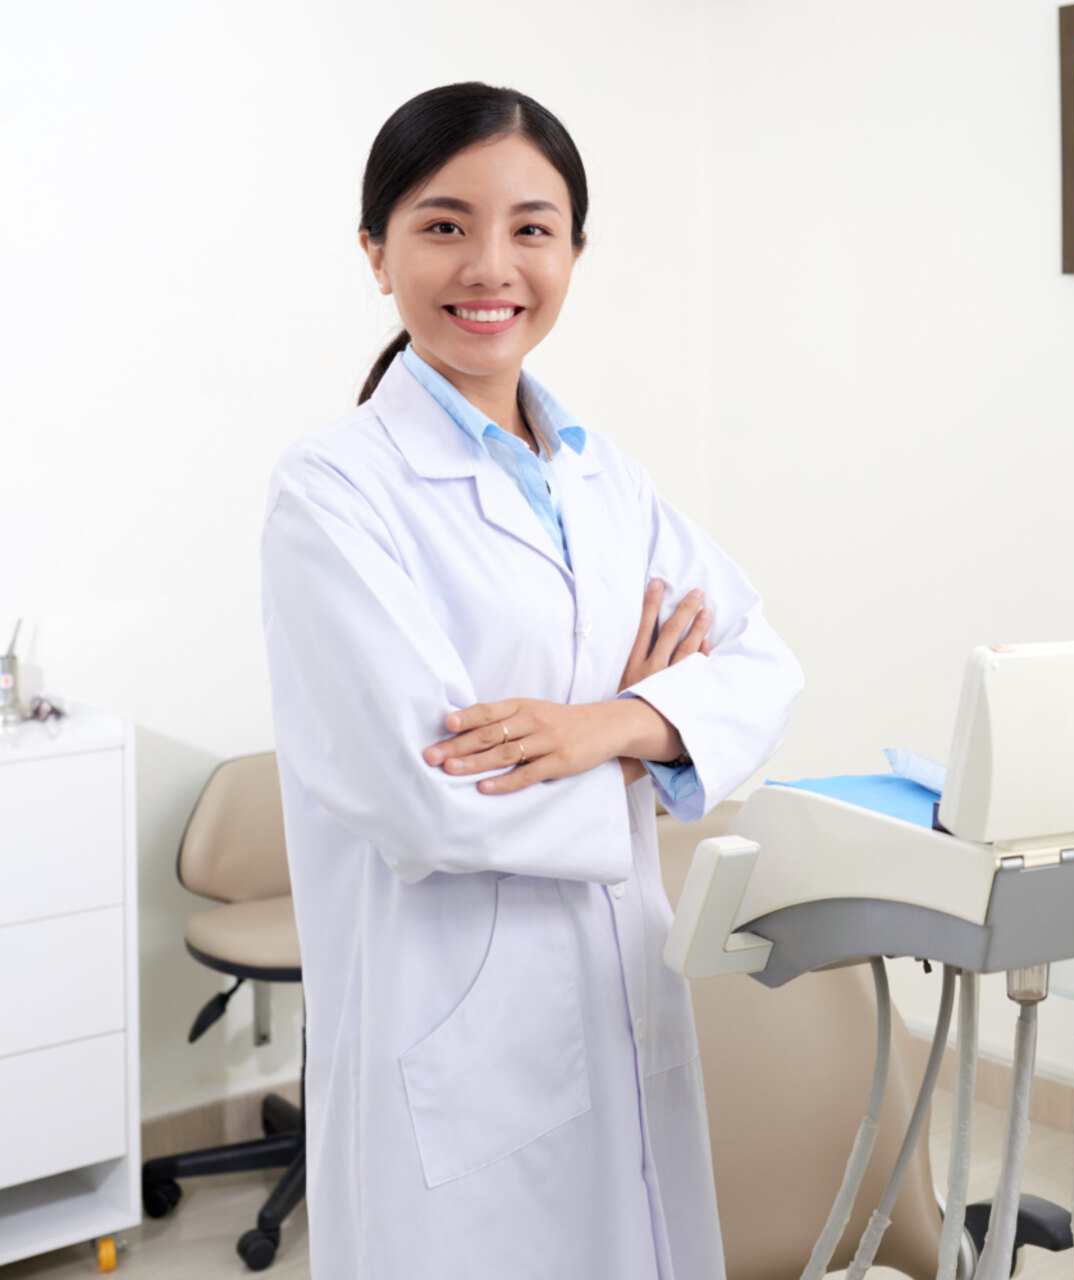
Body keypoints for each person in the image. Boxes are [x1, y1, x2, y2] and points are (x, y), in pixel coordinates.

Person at [259, 82, 802, 1278]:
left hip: (620, 989)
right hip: (454, 1027)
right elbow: (432, 791)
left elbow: (761, 665)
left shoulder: (607, 480)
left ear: (573, 251)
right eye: (444, 225)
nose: (491, 265)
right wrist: (655, 741)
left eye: (532, 228)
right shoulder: (336, 492)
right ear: (376, 250)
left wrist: (604, 721)